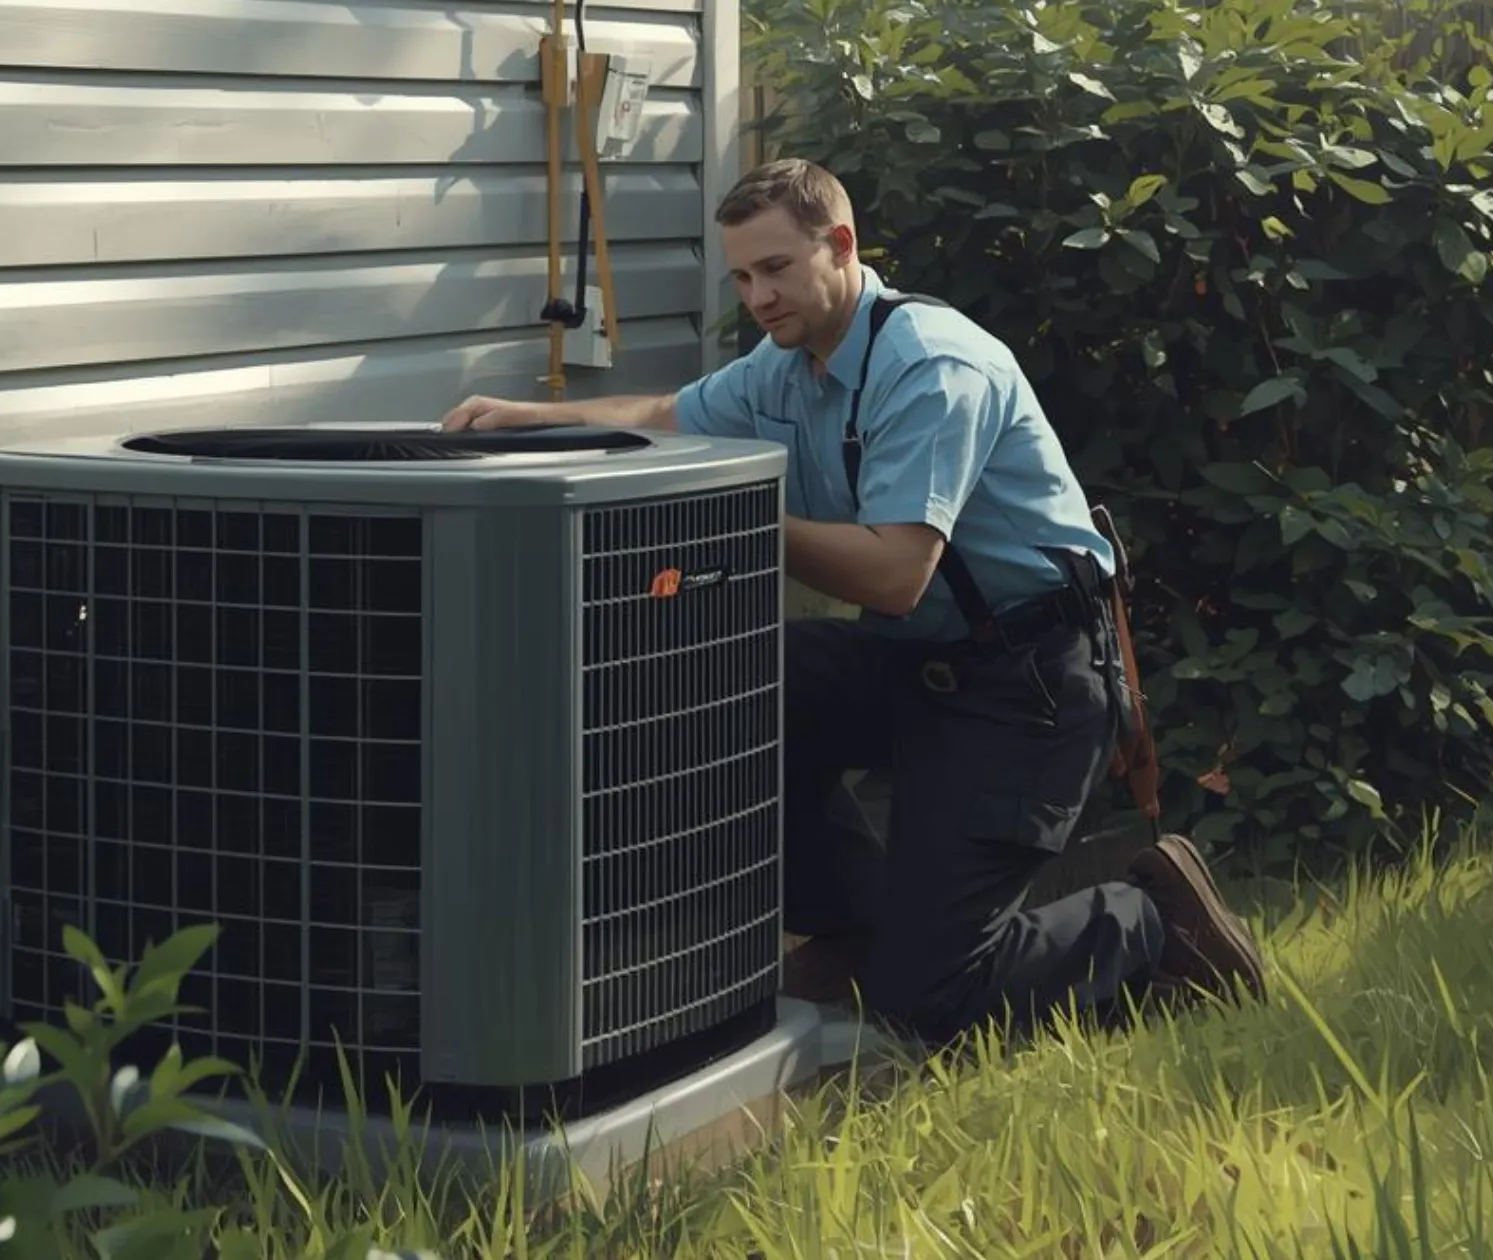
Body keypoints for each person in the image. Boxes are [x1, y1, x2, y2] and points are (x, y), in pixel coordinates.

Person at [440, 157, 1266, 1049]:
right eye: (744, 276)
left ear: (840, 246)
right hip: (919, 660)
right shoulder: (788, 364)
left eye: (776, 270)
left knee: (930, 1004)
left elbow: (893, 574)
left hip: (1028, 688)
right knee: (718, 675)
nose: (758, 296)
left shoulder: (931, 366)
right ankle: (851, 928)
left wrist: (738, 511)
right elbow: (671, 415)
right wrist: (525, 420)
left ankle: (1150, 921)